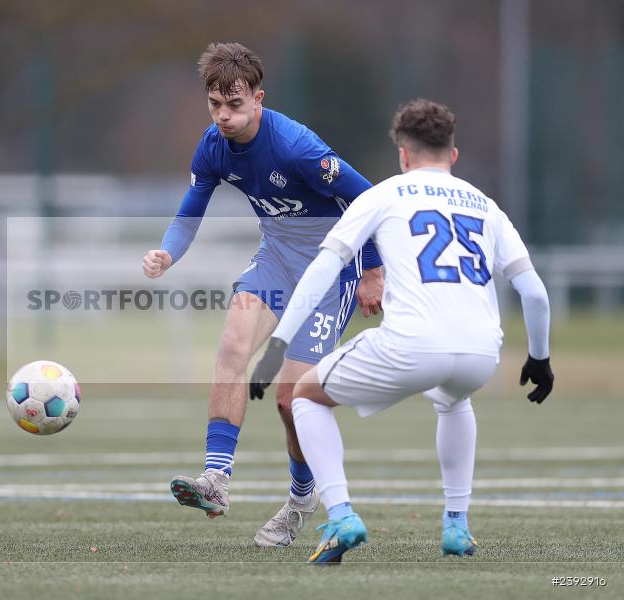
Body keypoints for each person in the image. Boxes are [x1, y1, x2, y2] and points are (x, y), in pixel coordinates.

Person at [250, 98, 554, 563]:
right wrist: (540, 358)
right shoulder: (486, 205)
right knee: (455, 400)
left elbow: (323, 269)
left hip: (413, 342)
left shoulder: (384, 194)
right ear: (453, 156)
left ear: (403, 155)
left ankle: (340, 516)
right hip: (480, 353)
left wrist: (278, 344)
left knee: (304, 396)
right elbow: (533, 292)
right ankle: (457, 526)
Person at [141, 42, 385, 547]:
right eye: (215, 105)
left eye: (235, 104)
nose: (224, 116)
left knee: (290, 399)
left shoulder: (298, 148)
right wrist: (167, 253)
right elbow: (189, 215)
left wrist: (373, 270)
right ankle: (216, 479)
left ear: (258, 98)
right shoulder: (212, 147)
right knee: (232, 346)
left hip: (330, 269)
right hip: (275, 259)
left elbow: (370, 199)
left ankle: (301, 499)